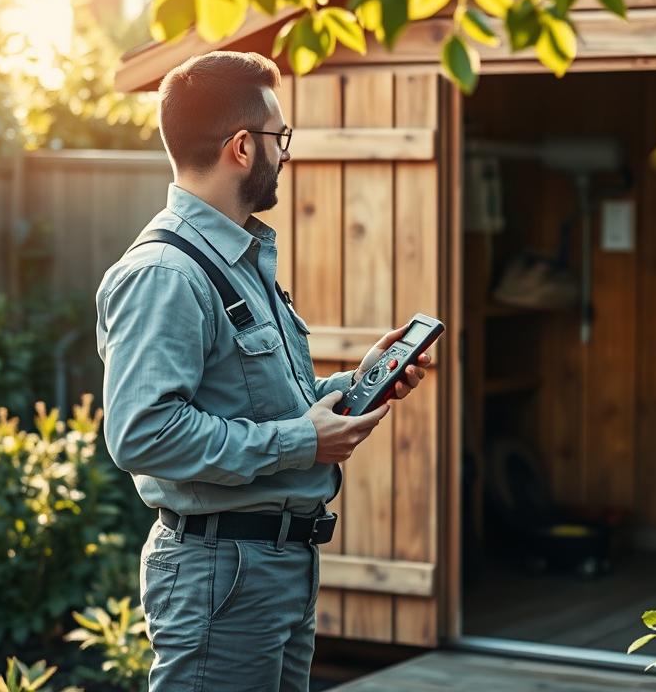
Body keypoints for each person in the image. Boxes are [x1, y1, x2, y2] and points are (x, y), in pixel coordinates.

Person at [95, 51, 430, 692]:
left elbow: (253, 400)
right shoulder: (166, 274)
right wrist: (305, 441)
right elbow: (142, 434)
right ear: (243, 147)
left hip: (273, 567)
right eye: (281, 139)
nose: (287, 153)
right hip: (223, 573)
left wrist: (352, 386)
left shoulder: (239, 256)